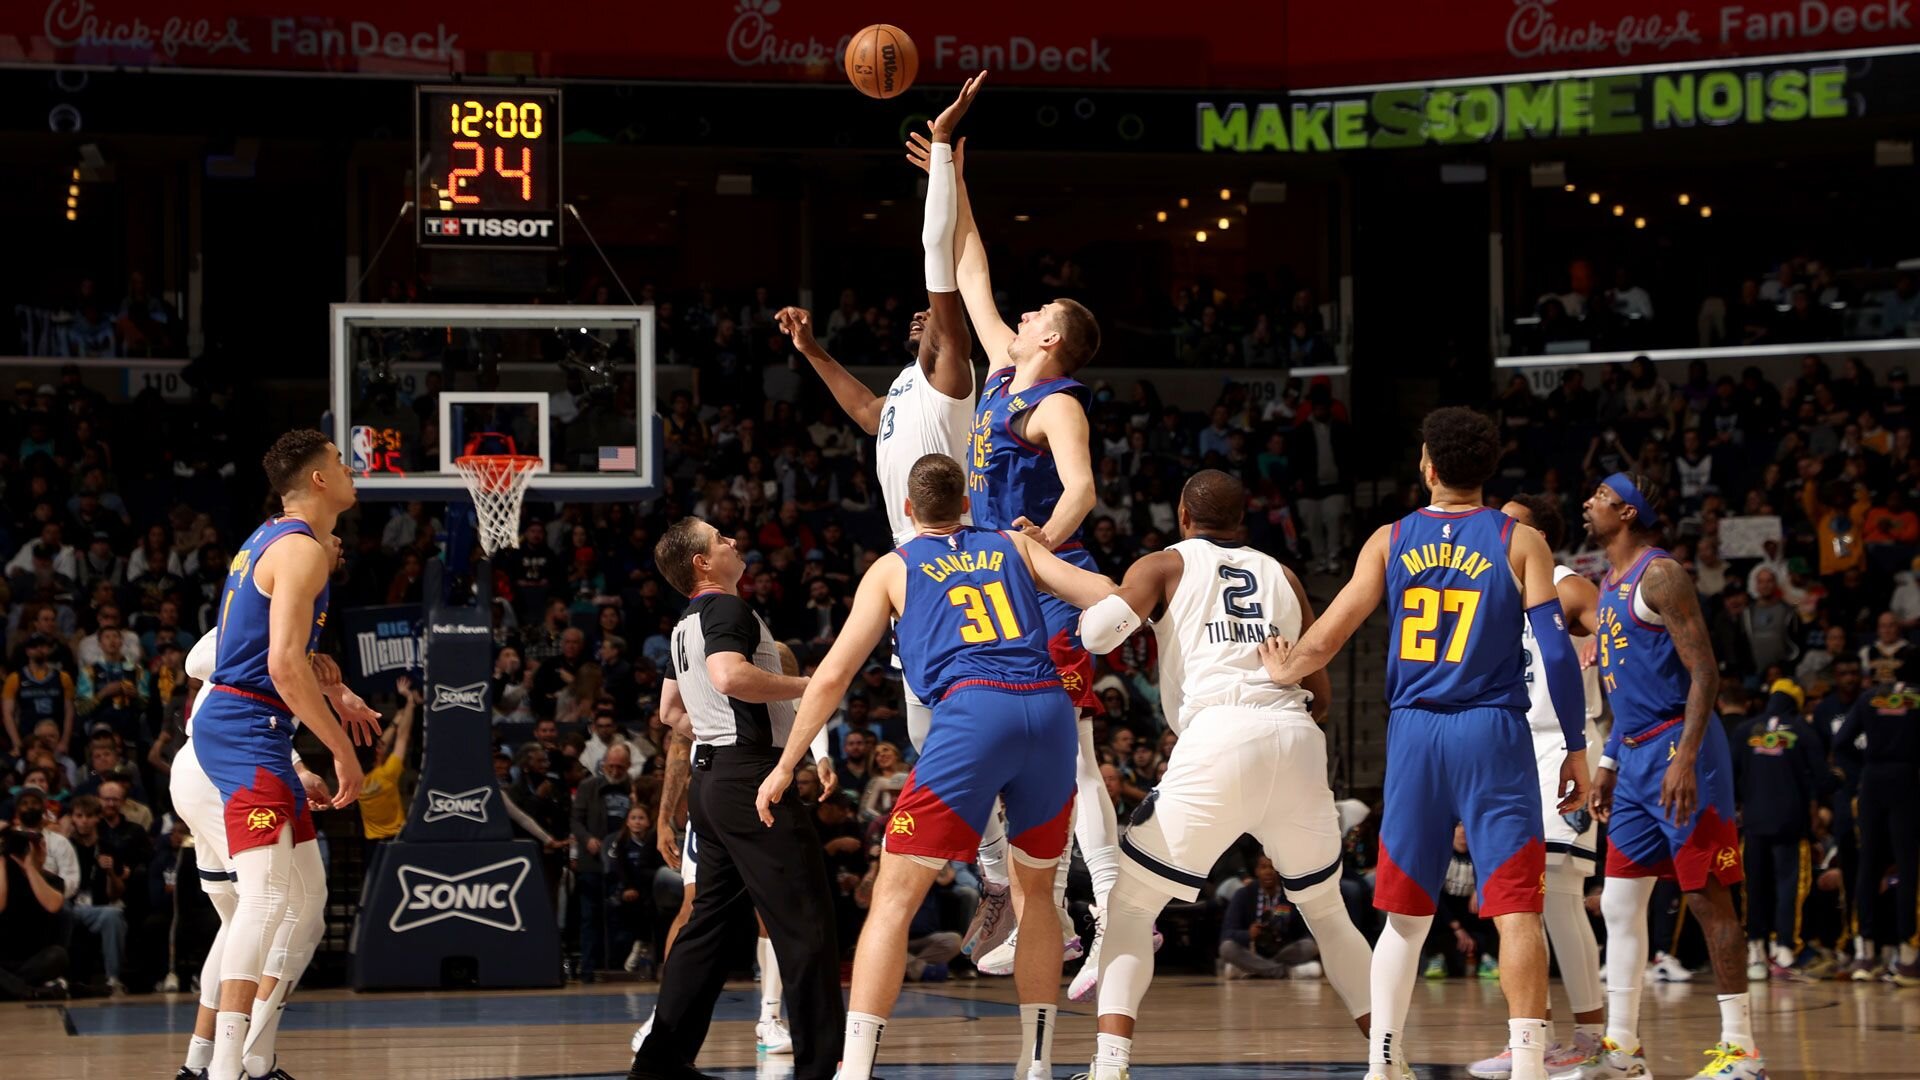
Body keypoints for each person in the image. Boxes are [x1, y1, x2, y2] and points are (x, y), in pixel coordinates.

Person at [754, 452, 1115, 1080]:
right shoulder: (1013, 546)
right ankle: (1037, 1069)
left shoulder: (894, 567)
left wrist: (787, 764)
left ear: (908, 509)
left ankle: (856, 1070)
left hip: (975, 712)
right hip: (1050, 711)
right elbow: (1108, 597)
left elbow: (834, 673)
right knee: (1037, 895)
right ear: (967, 503)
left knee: (893, 898)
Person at [1261, 408, 1590, 1080]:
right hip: (1494, 730)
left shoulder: (1391, 538)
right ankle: (1529, 1063)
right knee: (1517, 908)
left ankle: (1384, 1059)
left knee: (1405, 911)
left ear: (1428, 467)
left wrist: (1284, 670)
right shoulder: (1519, 540)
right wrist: (1577, 745)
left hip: (1415, 730)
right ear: (1486, 472)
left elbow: (1331, 632)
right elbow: (1556, 652)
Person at [908, 89, 1120, 982]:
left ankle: (1103, 910)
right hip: (1006, 586)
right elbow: (972, 267)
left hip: (1050, 583)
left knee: (1072, 754)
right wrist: (951, 174)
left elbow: (1082, 490)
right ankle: (1053, 909)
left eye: (1039, 315)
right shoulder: (1003, 370)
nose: (1022, 315)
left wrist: (1037, 546)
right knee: (1022, 747)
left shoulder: (1055, 401)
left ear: (1055, 339)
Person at [1070, 469, 1372, 1079]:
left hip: (1219, 737)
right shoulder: (1285, 575)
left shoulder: (1165, 564)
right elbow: (1322, 691)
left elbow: (1097, 635)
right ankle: (1390, 1058)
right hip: (1295, 736)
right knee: (1328, 913)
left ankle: (1109, 1067)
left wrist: (1111, 593)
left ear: (1183, 514)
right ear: (1244, 520)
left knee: (1130, 908)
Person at [188, 431, 380, 1080]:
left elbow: (283, 660)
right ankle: (223, 1069)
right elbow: (282, 665)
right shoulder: (299, 550)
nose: (352, 470)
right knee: (266, 900)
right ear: (319, 481)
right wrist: (338, 753)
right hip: (244, 731)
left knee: (309, 899)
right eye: (340, 462)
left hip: (254, 728)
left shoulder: (274, 537)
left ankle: (256, 1057)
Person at [1559, 472, 1760, 1080]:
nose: (1587, 501)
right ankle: (1622, 1050)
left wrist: (1683, 758)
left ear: (1626, 512)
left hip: (1681, 750)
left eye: (1599, 496)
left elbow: (1705, 674)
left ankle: (1743, 1052)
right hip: (1637, 755)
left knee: (1706, 896)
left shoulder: (1660, 574)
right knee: (1619, 902)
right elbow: (1627, 695)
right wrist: (1610, 765)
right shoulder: (1609, 583)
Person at [627, 518, 838, 1080]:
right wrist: (809, 687)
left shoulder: (681, 626)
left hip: (711, 785)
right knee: (806, 925)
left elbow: (671, 714)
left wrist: (720, 731)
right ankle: (824, 1070)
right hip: (750, 781)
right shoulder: (726, 610)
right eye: (720, 539)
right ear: (701, 562)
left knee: (707, 929)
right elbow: (728, 676)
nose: (733, 543)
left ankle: (661, 1066)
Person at [1463, 495, 1608, 1078]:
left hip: (1563, 749)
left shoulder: (1571, 586)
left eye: (1512, 522)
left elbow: (1618, 641)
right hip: (1512, 747)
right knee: (1523, 902)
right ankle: (1536, 1036)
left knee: (1558, 896)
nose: (1499, 529)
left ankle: (1591, 1035)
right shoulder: (1499, 593)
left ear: (1541, 537)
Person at [1732, 680, 1824, 980]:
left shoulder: (1745, 731)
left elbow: (1730, 775)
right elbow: (1821, 778)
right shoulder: (1803, 731)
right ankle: (1785, 951)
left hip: (1753, 821)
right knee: (1790, 887)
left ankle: (1756, 953)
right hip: (1791, 821)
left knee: (1754, 887)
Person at [1830, 676, 1920, 984]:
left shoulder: (1868, 697)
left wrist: (1861, 773)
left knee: (1868, 865)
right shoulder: (1916, 697)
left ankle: (1864, 954)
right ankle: (1908, 956)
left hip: (1872, 781)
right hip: (1907, 780)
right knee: (1909, 867)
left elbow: (1841, 742)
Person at [0, 825, 67, 1000]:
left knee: (58, 955)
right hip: (2, 960)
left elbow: (53, 905)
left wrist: (31, 867)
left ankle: (11, 988)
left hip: (32, 960)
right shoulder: (4, 877)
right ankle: (29, 991)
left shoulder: (52, 879)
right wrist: (1, 860)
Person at [358, 675, 419, 846]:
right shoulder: (386, 774)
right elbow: (402, 738)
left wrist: (396, 720)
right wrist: (410, 702)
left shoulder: (357, 783)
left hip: (371, 844)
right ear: (377, 754)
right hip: (396, 839)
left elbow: (381, 745)